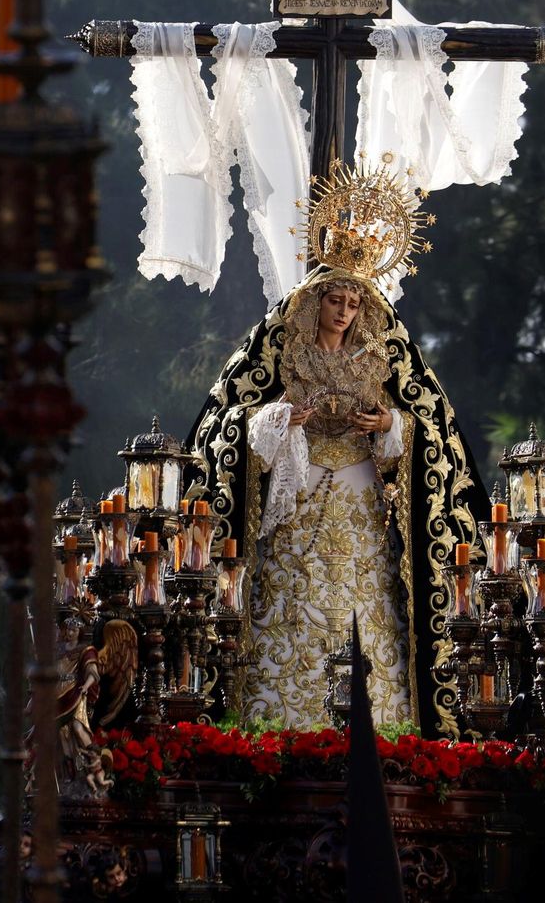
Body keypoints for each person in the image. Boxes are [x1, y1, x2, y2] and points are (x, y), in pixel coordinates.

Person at [188, 263, 489, 737]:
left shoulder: (378, 357)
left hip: (360, 493)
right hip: (300, 490)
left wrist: (389, 425)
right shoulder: (284, 353)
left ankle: (381, 724)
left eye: (353, 304)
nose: (344, 312)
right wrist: (280, 418)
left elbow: (428, 427)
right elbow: (230, 421)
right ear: (315, 302)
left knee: (364, 595)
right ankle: (276, 724)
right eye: (336, 301)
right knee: (291, 591)